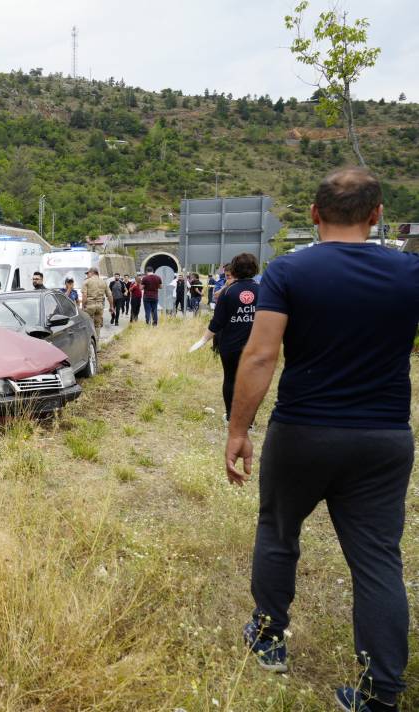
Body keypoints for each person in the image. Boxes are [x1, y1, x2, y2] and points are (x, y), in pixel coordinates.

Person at [226, 168, 419, 712]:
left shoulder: (288, 271)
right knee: (379, 562)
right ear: (377, 214)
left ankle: (268, 640)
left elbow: (261, 355)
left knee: (279, 532)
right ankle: (381, 692)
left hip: (303, 431)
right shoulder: (410, 272)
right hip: (383, 437)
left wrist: (238, 430)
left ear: (314, 214)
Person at [192, 253, 258, 422]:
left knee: (230, 378)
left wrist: (203, 340)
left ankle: (231, 416)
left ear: (234, 269)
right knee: (251, 381)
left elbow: (217, 322)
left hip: (231, 345)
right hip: (255, 346)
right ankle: (249, 420)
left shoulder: (228, 291)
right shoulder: (263, 290)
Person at [82, 267, 112, 340]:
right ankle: (97, 346)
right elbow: (110, 296)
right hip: (99, 306)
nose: (87, 275)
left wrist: (83, 306)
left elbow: (84, 296)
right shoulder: (103, 282)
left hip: (89, 306)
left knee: (88, 324)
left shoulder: (86, 282)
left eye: (88, 273)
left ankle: (91, 344)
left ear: (92, 273)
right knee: (97, 325)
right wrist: (111, 306)